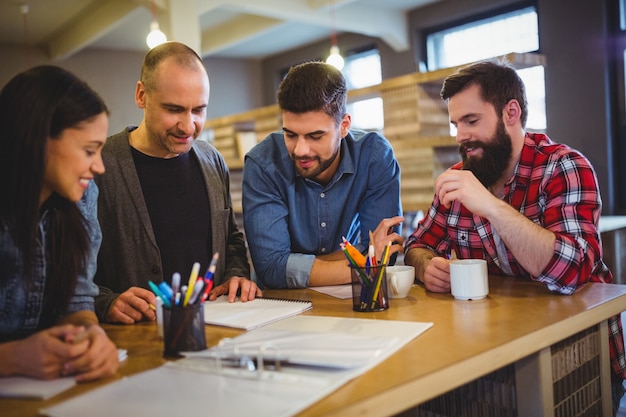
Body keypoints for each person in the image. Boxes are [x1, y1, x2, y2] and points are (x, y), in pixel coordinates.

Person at [403, 59, 626, 414]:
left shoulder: (565, 167)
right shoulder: (463, 176)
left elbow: (570, 272)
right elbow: (415, 245)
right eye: (456, 124)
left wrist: (490, 205)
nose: (460, 136)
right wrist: (427, 265)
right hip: (494, 357)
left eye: (471, 121)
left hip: (579, 357)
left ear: (511, 112)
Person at [94, 41, 260, 325]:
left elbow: (231, 239)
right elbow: (70, 271)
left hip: (214, 329)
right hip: (135, 337)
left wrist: (237, 274)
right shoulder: (100, 166)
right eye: (174, 109)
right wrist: (105, 302)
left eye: (199, 110)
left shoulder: (212, 160)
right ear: (141, 95)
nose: (188, 125)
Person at [0, 66, 119, 381]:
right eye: (89, 151)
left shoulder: (81, 195)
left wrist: (91, 335)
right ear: (38, 140)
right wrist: (11, 358)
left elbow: (77, 301)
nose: (99, 167)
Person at [242, 61, 404, 289]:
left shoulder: (374, 157)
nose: (300, 150)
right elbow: (270, 268)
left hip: (352, 304)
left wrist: (293, 264)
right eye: (290, 134)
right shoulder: (263, 164)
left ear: (344, 126)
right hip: (282, 307)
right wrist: (363, 261)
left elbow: (386, 254)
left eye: (315, 136)